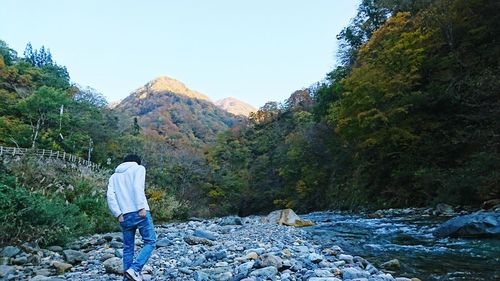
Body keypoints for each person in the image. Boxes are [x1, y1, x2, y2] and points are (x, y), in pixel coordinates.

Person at [107, 154, 156, 281]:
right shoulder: (139, 168)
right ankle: (134, 269)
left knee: (128, 248)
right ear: (136, 162)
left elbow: (110, 196)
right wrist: (141, 207)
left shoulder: (114, 176)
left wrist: (117, 213)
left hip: (124, 215)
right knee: (150, 241)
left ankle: (127, 278)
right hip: (139, 211)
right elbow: (137, 187)